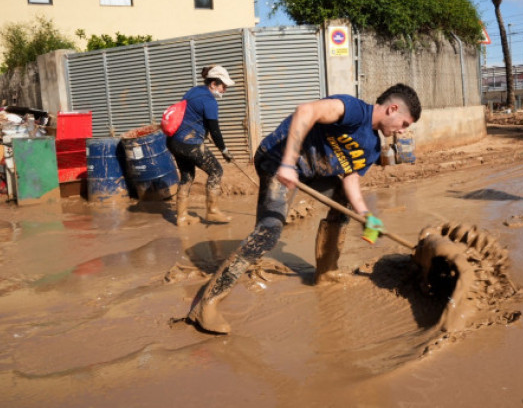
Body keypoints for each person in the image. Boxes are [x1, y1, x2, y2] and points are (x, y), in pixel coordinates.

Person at [188, 83, 422, 334]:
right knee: (268, 232)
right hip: (278, 160)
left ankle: (326, 273)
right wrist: (289, 163)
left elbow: (350, 176)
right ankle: (207, 304)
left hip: (311, 173)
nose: (401, 132)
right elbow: (305, 111)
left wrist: (365, 214)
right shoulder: (354, 110)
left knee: (344, 206)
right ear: (392, 109)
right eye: (405, 124)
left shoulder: (372, 148)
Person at [168, 65, 235, 226]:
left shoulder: (194, 91)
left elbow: (191, 114)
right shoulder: (209, 101)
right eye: (223, 86)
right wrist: (224, 151)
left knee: (187, 176)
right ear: (213, 84)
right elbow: (215, 131)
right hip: (189, 143)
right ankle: (212, 211)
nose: (225, 89)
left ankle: (182, 217)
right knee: (216, 170)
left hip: (173, 141)